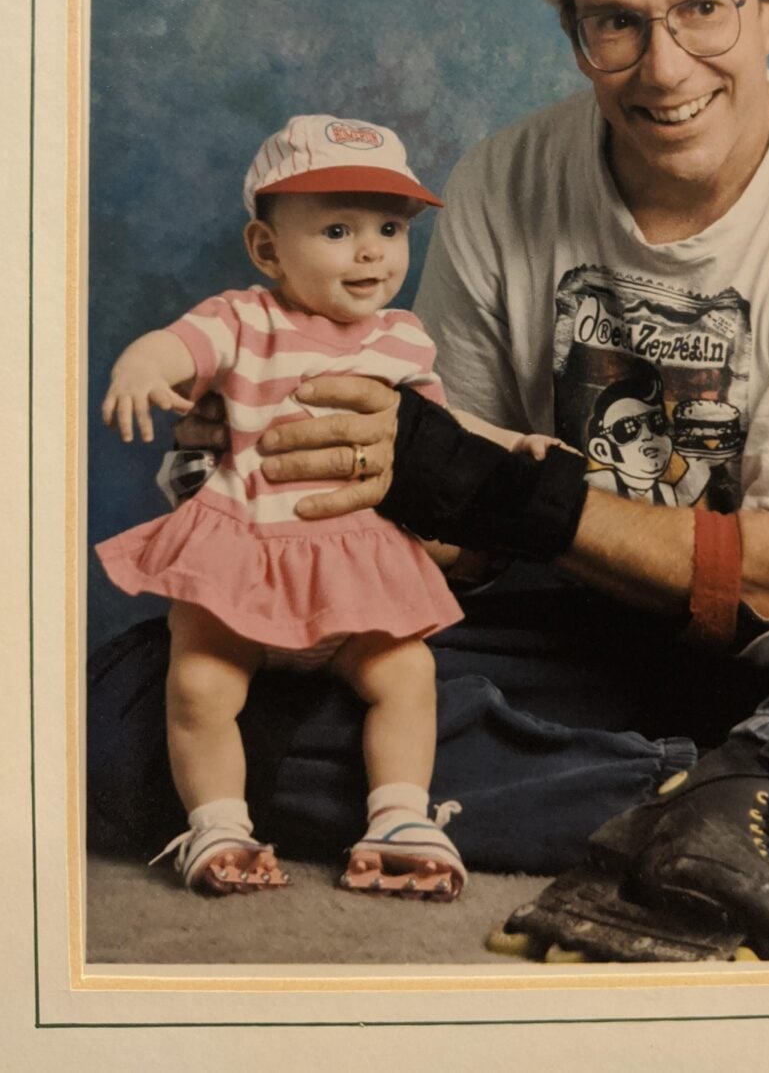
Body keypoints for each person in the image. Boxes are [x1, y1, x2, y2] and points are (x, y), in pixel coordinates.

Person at [87, 0, 769, 960]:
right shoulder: (503, 180)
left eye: (704, 9)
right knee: (138, 704)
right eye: (615, 23)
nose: (664, 68)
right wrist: (289, 465)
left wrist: (485, 488)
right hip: (594, 614)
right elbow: (444, 536)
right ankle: (743, 798)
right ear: (575, 35)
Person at [95, 113, 552, 901]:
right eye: (338, 228)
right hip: (246, 558)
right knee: (200, 683)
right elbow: (179, 347)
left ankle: (400, 813)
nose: (372, 250)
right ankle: (217, 821)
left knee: (406, 672)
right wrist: (143, 365)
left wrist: (510, 442)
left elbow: (441, 433)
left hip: (352, 570)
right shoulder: (244, 318)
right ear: (268, 249)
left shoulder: (403, 338)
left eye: (388, 228)